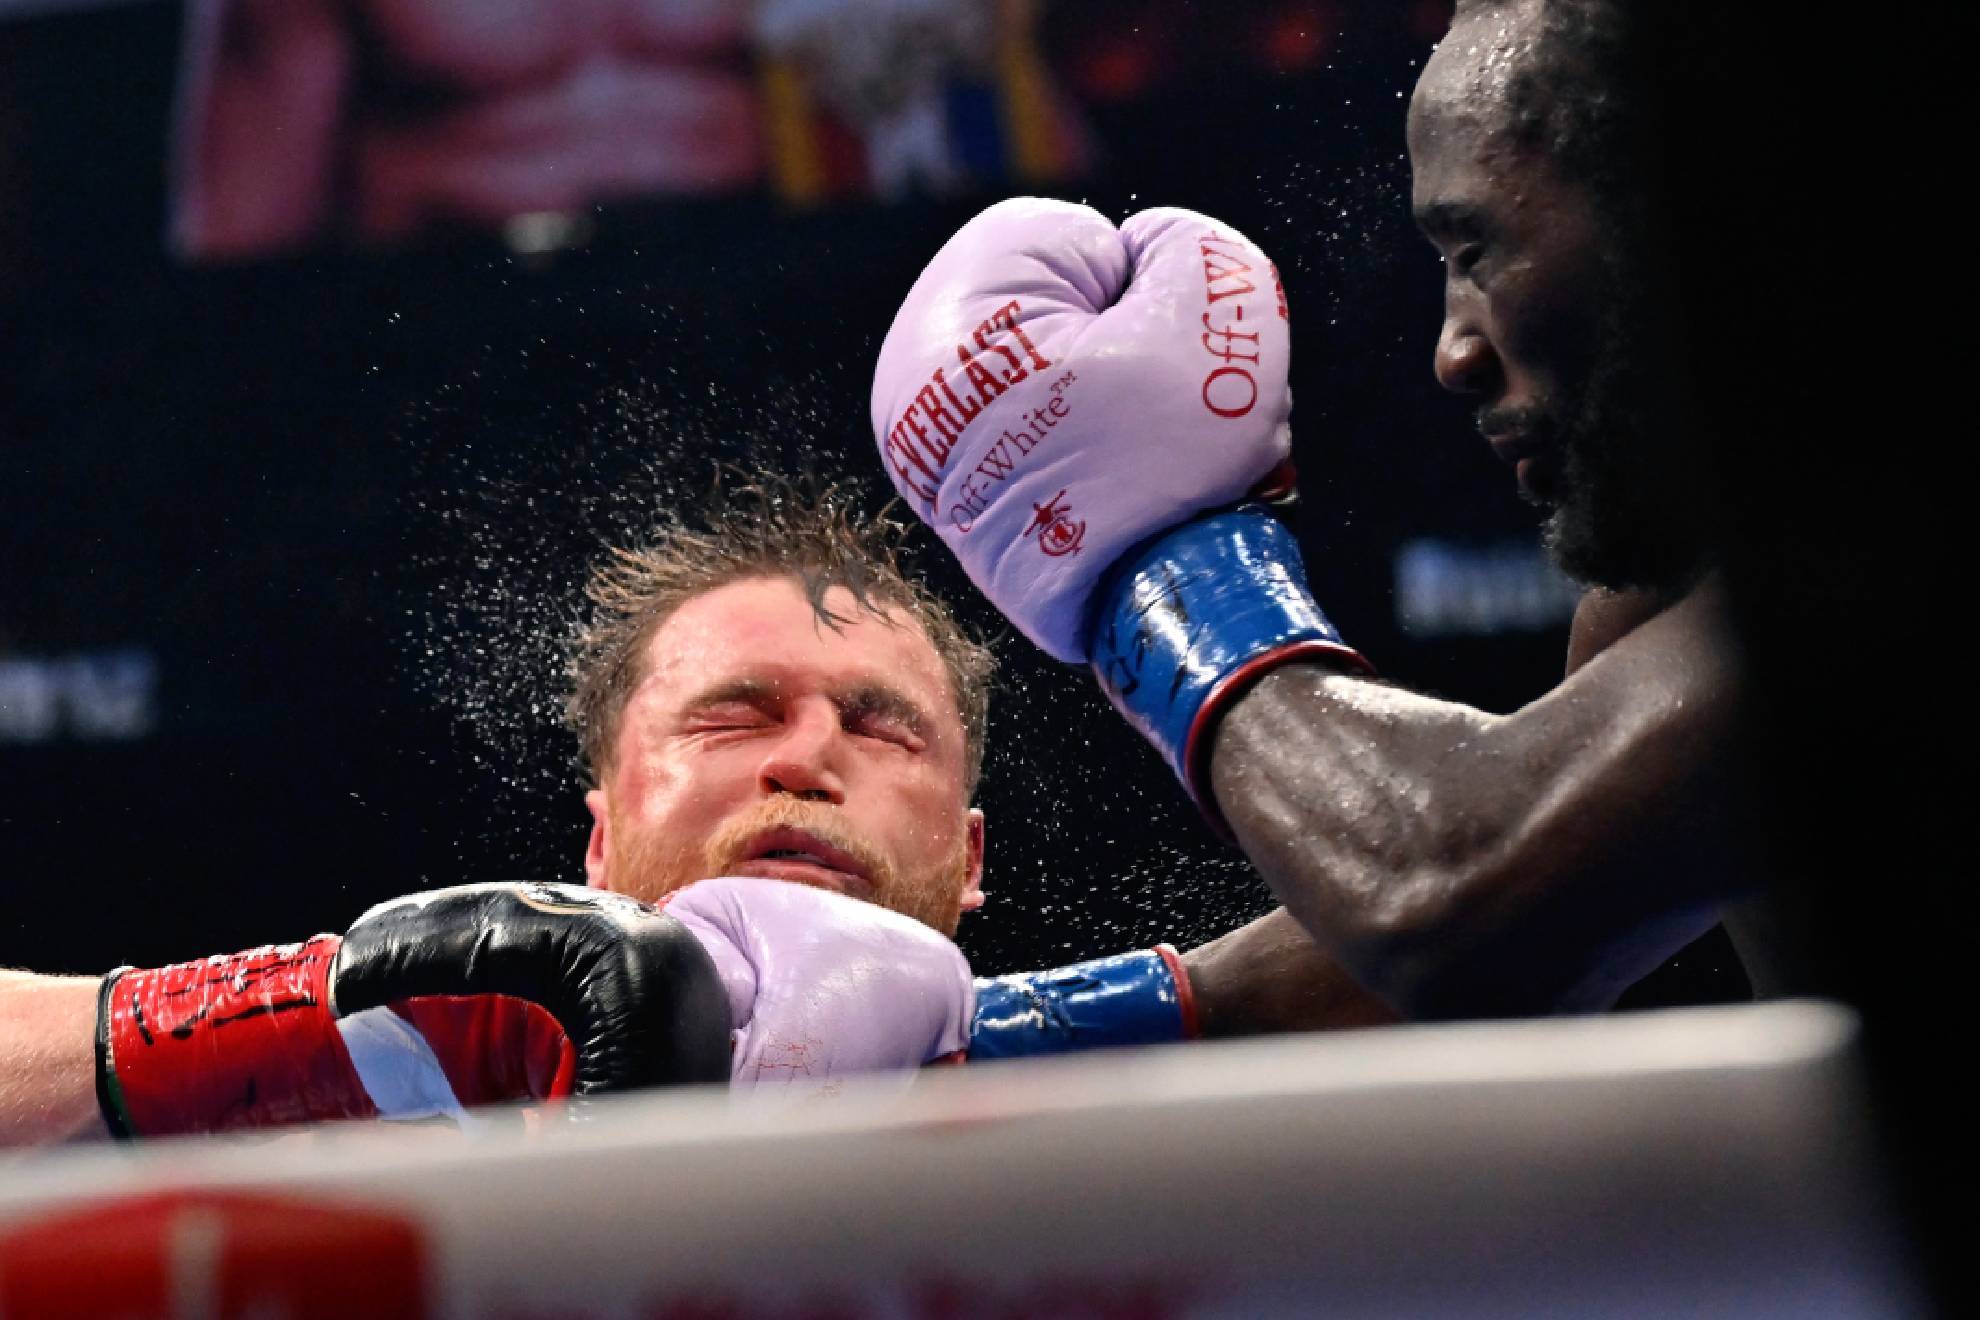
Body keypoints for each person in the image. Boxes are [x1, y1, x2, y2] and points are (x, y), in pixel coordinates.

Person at [870, 0, 1765, 1020]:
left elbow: (1456, 896)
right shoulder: (1674, 587)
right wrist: (972, 1037)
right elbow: (1544, 891)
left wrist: (1170, 566)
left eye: (1477, 253)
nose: (1454, 352)